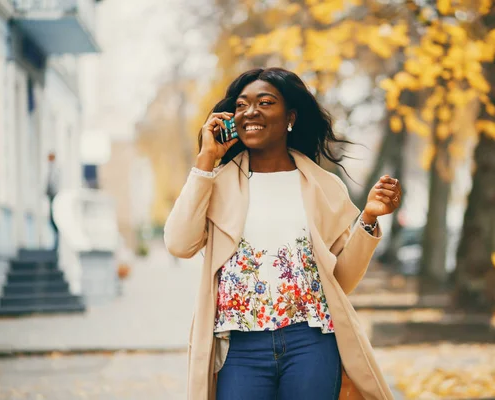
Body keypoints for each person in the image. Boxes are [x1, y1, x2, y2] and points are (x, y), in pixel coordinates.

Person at [164, 67, 402, 400]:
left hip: (311, 342)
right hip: (240, 348)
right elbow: (178, 243)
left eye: (265, 102)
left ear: (290, 116)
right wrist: (206, 160)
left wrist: (369, 219)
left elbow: (341, 280)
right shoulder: (214, 184)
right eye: (243, 105)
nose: (251, 112)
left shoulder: (323, 187)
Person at [46, 152, 60, 251]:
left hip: (55, 197)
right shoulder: (49, 169)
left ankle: (56, 244)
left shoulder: (56, 170)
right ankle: (55, 243)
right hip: (51, 197)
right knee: (51, 220)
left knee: (54, 220)